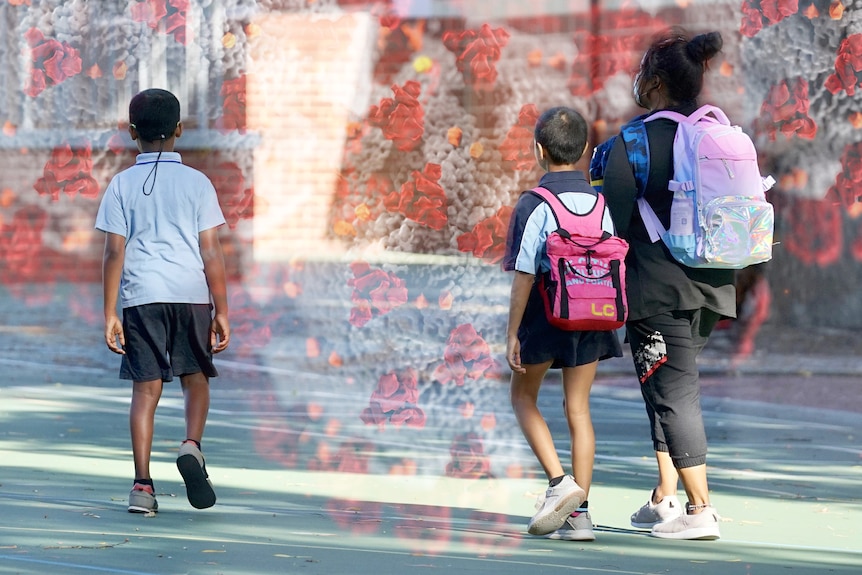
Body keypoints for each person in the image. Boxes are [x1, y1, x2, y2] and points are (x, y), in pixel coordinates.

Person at [597, 29, 733, 540]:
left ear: (654, 83)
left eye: (639, 73)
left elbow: (611, 218)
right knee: (664, 384)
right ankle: (664, 496)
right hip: (713, 283)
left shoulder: (632, 141)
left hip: (657, 287)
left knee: (675, 392)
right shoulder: (714, 131)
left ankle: (701, 511)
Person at [95, 88, 231, 514]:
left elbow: (114, 252)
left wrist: (109, 312)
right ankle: (191, 445)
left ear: (131, 132)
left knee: (145, 391)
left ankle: (142, 487)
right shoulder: (198, 183)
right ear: (179, 130)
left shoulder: (121, 184)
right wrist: (221, 309)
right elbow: (211, 250)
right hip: (190, 296)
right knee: (196, 379)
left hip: (142, 298)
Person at [503, 106, 623, 541]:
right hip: (592, 315)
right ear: (585, 150)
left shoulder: (534, 204)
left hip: (545, 316)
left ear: (539, 150)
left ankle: (559, 484)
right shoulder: (601, 203)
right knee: (579, 409)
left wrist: (513, 331)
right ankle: (580, 517)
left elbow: (523, 274)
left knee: (523, 397)